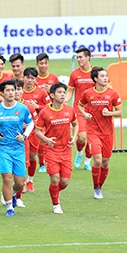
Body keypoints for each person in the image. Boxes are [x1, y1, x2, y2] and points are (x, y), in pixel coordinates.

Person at [0, 79, 34, 216]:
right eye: (8, 90)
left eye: (13, 90)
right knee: (7, 178)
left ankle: (11, 193)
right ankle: (9, 207)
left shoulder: (22, 108)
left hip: (18, 149)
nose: (11, 93)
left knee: (19, 183)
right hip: (3, 149)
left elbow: (31, 124)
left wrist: (24, 136)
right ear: (2, 92)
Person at [78, 67, 122, 199]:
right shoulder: (88, 93)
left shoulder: (113, 94)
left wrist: (110, 113)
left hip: (108, 132)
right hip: (93, 132)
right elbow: (80, 105)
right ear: (95, 79)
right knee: (97, 160)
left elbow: (120, 112)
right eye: (102, 76)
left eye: (106, 75)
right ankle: (96, 187)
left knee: (105, 161)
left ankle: (100, 186)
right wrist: (84, 113)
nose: (105, 78)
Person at [35, 82, 78, 214]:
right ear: (52, 95)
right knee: (55, 179)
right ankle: (56, 204)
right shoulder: (45, 112)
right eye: (59, 92)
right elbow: (38, 131)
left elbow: (76, 125)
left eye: (64, 92)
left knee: (64, 182)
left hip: (66, 150)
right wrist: (47, 140)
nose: (63, 95)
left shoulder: (69, 110)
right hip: (51, 150)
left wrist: (74, 137)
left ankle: (53, 192)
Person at [66, 47, 97, 171]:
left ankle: (87, 161)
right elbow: (70, 92)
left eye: (81, 57)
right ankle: (79, 153)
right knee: (81, 137)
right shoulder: (75, 74)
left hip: (94, 111)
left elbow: (106, 87)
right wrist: (64, 100)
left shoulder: (96, 72)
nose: (78, 59)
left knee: (92, 139)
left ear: (88, 57)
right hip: (79, 110)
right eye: (77, 57)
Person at [22, 67, 50, 176]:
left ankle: (30, 180)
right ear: (23, 78)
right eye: (27, 78)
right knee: (23, 155)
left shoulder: (41, 92)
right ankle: (22, 182)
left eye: (32, 78)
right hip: (21, 128)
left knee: (32, 155)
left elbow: (49, 107)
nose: (29, 80)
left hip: (36, 127)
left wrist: (37, 106)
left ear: (35, 80)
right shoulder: (19, 92)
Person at [14, 79, 38, 194]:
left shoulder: (29, 106)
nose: (16, 92)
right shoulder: (7, 106)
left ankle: (30, 180)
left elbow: (37, 122)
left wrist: (28, 125)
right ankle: (21, 183)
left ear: (22, 91)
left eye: (19, 89)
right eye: (14, 89)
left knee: (33, 158)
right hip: (19, 138)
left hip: (32, 135)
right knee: (22, 160)